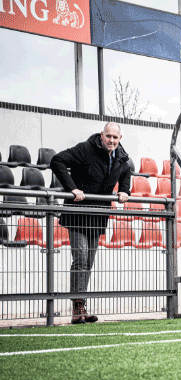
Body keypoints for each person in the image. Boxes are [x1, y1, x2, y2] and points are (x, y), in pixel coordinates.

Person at [50, 123, 131, 324]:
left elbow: (126, 172)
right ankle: (77, 308)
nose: (112, 140)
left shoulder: (121, 156)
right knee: (81, 258)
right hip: (77, 213)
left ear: (120, 138)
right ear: (102, 135)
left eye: (115, 137)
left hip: (98, 215)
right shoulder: (85, 149)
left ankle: (81, 307)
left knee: (88, 262)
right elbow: (57, 160)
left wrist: (125, 190)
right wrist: (72, 188)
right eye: (108, 136)